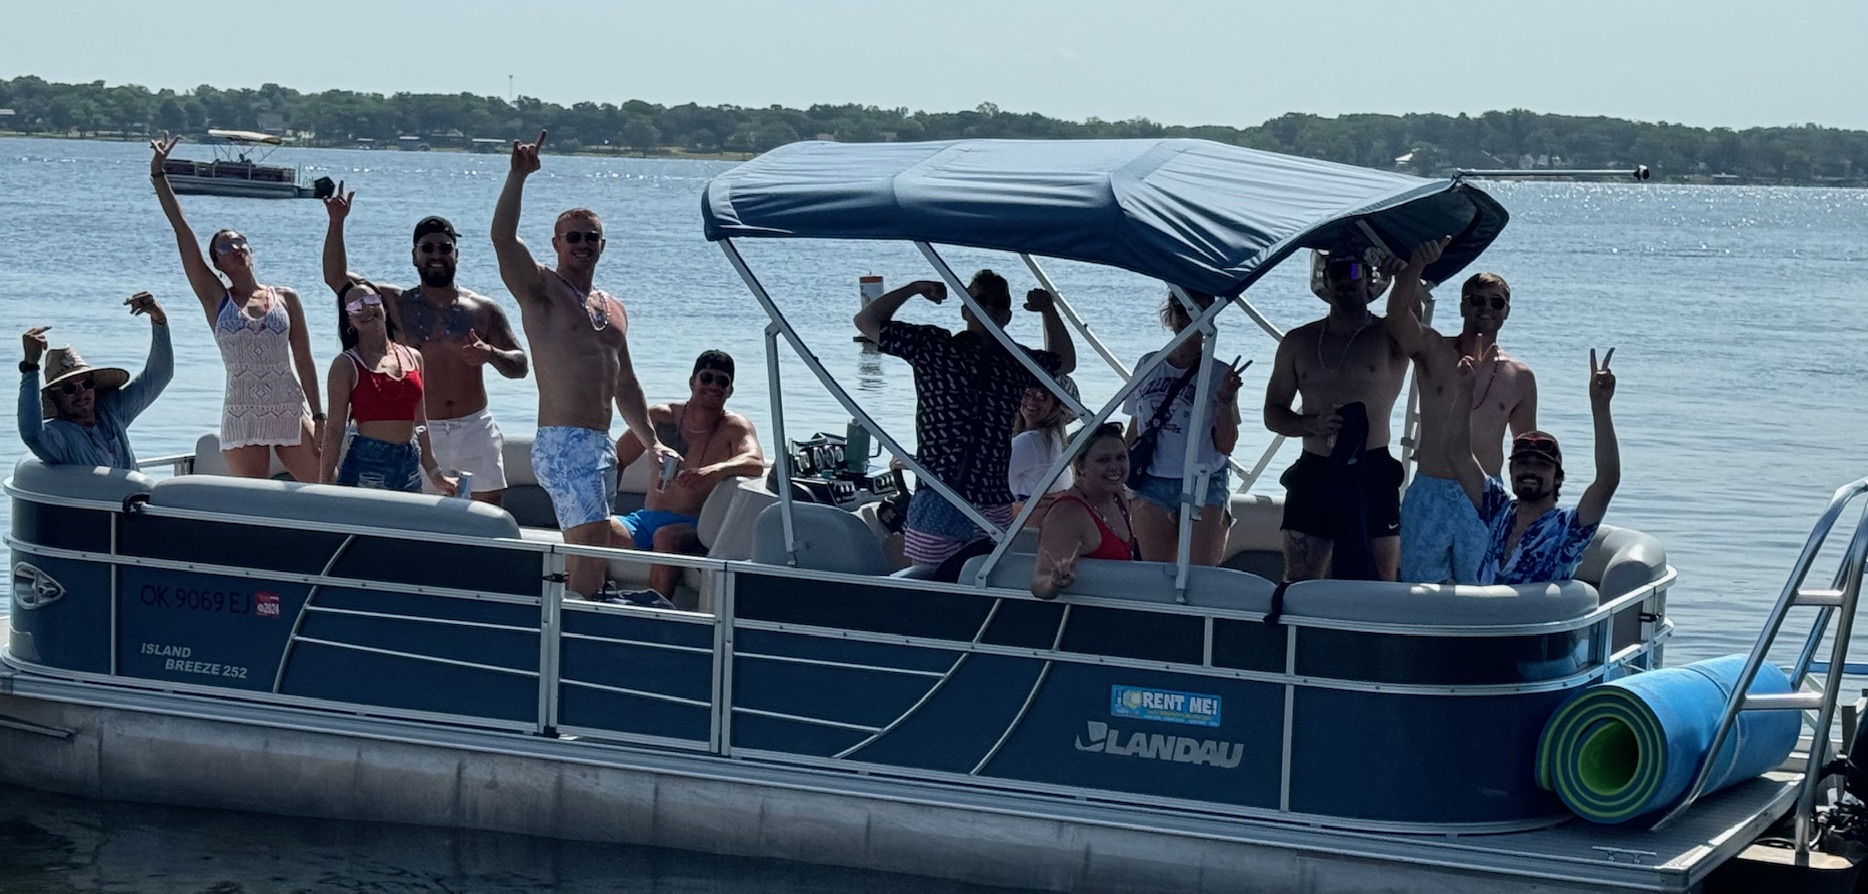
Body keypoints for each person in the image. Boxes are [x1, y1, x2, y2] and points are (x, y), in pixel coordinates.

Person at [491, 130, 672, 601]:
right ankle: (577, 633)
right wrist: (517, 177)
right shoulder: (541, 291)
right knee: (591, 548)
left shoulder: (610, 307)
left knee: (593, 550)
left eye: (591, 238)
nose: (583, 244)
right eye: (573, 237)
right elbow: (502, 238)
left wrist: (652, 443)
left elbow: (625, 381)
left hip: (600, 445)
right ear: (556, 243)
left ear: (602, 246)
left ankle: (575, 619)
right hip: (563, 441)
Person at [853, 270, 1076, 571]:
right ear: (964, 309)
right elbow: (866, 322)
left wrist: (1048, 310)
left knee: (983, 581)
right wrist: (913, 287)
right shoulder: (934, 345)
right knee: (930, 582)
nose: (989, 308)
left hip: (991, 500)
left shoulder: (1016, 360)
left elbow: (1066, 361)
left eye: (998, 303)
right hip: (938, 493)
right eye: (980, 300)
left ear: (1007, 314)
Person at [321, 186, 529, 504]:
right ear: (414, 255)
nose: (436, 255)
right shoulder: (393, 301)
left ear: (456, 254)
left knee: (484, 519)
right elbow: (336, 278)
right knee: (425, 520)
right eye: (427, 248)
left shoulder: (483, 309)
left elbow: (520, 364)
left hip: (474, 427)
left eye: (445, 248)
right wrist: (337, 222)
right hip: (422, 432)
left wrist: (491, 354)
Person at [148, 134, 322, 481]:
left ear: (251, 251)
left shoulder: (285, 298)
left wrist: (319, 416)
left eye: (241, 242)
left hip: (287, 406)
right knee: (250, 499)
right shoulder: (217, 300)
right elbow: (182, 231)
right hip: (243, 411)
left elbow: (304, 359)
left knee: (324, 488)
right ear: (217, 263)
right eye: (226, 246)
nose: (236, 247)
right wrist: (159, 174)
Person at [1385, 237, 1540, 583]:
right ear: (1462, 306)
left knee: (1482, 591)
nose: (1486, 308)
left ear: (1506, 312)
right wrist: (1415, 267)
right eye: (1477, 300)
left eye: (1496, 303)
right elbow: (1397, 319)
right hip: (1430, 491)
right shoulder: (1433, 350)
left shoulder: (1520, 376)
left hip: (1485, 496)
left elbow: (1527, 450)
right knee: (1419, 589)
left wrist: (1531, 507)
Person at [1264, 254, 1408, 581]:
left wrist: (1405, 276)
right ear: (1324, 281)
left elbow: (1413, 317)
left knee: (1379, 581)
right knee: (1300, 577)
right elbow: (1273, 412)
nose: (1346, 279)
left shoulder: (1389, 335)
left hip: (1373, 469)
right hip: (1315, 466)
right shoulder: (1298, 342)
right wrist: (1308, 424)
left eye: (1355, 270)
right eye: (1336, 272)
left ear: (1369, 279)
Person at [1446, 350, 1619, 585]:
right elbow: (1458, 454)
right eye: (1523, 463)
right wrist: (1466, 392)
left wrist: (1601, 406)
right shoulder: (1499, 509)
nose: (1530, 470)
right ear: (1511, 470)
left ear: (1558, 478)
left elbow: (1607, 481)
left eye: (1541, 465)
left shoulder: (1568, 527)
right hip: (1484, 617)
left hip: (1535, 619)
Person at [612, 350, 766, 599]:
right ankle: (589, 598)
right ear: (692, 381)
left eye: (722, 381)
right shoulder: (661, 417)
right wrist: (605, 504)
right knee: (595, 528)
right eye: (707, 378)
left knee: (665, 537)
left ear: (730, 390)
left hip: (694, 526)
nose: (714, 386)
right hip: (645, 519)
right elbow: (617, 458)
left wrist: (713, 472)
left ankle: (657, 611)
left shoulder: (734, 426)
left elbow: (755, 460)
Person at [1125, 293, 1246, 566]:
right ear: (1170, 315)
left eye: (1199, 311)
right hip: (1151, 480)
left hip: (1204, 479)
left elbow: (1225, 446)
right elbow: (1135, 428)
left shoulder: (1219, 373)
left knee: (1199, 574)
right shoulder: (1148, 365)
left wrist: (1225, 401)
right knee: (1156, 574)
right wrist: (1121, 476)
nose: (1188, 317)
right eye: (1182, 309)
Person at [319, 280, 458, 494]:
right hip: (367, 463)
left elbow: (419, 422)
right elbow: (335, 429)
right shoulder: (346, 365)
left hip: (408, 462)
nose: (366, 309)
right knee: (364, 528)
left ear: (383, 306)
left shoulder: (413, 357)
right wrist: (324, 481)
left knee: (406, 527)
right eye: (356, 307)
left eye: (371, 300)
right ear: (349, 320)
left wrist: (433, 470)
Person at [18, 293, 173, 469]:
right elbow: (31, 434)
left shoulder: (113, 411)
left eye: (87, 384)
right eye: (69, 388)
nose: (81, 393)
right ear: (53, 397)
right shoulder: (58, 437)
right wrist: (30, 367)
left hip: (138, 496)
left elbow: (159, 375)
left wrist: (158, 319)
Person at [1030, 423, 1137, 600]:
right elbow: (1039, 583)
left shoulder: (1118, 496)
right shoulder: (1068, 513)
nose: (1115, 467)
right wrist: (1055, 583)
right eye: (1103, 460)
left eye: (1121, 458)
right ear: (1080, 465)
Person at [1007, 375, 1079, 524]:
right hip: (1044, 523)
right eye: (1027, 393)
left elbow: (988, 480)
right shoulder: (1054, 439)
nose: (1032, 400)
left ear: (1057, 405)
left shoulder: (1030, 441)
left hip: (1023, 529)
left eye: (1042, 396)